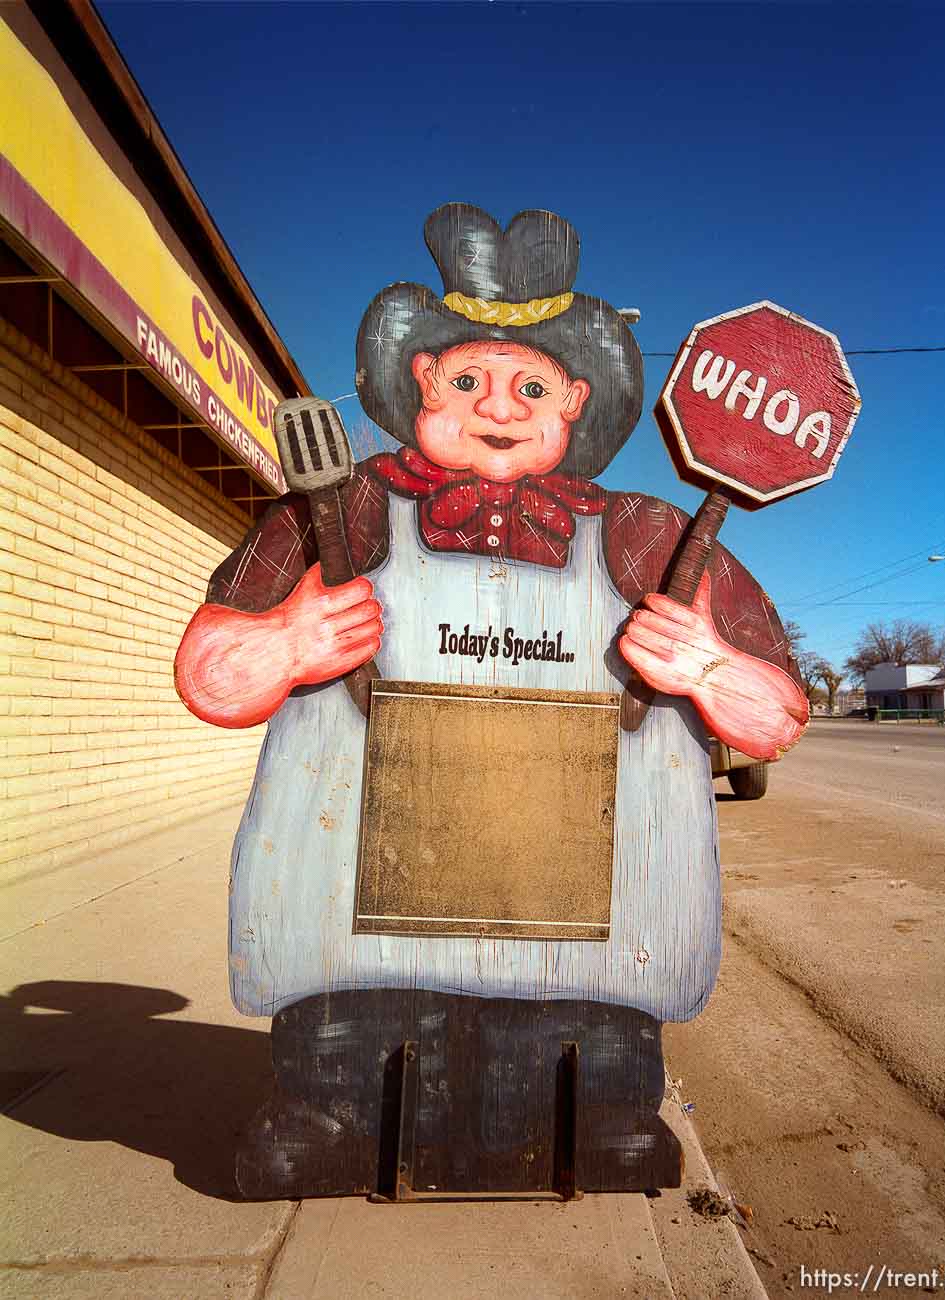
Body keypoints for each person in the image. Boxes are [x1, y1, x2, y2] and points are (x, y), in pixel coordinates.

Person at [174, 204, 806, 1193]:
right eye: (468, 379)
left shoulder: (649, 537)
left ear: (575, 401)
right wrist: (289, 640)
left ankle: (584, 1116)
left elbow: (777, 714)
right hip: (359, 910)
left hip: (578, 906)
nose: (497, 405)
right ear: (421, 384)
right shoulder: (337, 510)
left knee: (565, 1054)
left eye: (528, 385)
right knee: (356, 1039)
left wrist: (706, 667)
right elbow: (207, 667)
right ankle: (335, 1113)